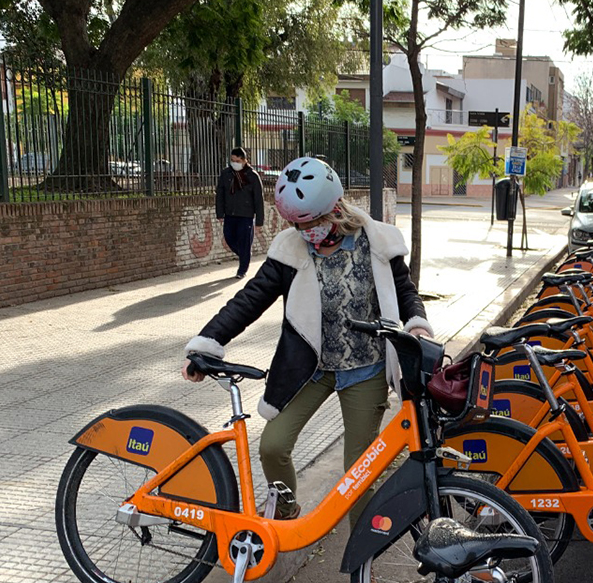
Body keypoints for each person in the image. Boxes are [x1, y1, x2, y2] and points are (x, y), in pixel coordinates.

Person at [184, 156, 432, 525]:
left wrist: (418, 325)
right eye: (296, 225)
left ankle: (362, 564)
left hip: (366, 368)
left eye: (310, 222)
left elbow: (404, 291)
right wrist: (208, 341)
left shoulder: (376, 242)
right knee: (272, 446)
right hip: (311, 367)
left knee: (358, 474)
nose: (305, 231)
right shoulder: (290, 249)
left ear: (333, 208)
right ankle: (286, 513)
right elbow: (250, 299)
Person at [216, 147, 265, 279]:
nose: (234, 163)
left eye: (237, 160)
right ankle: (245, 254)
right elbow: (220, 194)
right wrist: (220, 213)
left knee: (244, 242)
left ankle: (242, 269)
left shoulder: (252, 176)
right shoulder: (226, 174)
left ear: (244, 160)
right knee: (229, 238)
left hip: (246, 215)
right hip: (230, 214)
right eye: (232, 160)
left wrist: (259, 221)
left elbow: (258, 199)